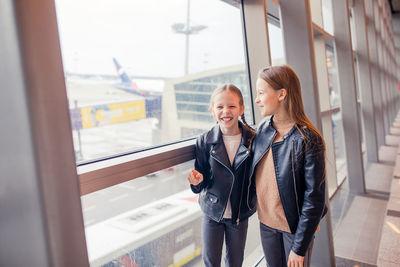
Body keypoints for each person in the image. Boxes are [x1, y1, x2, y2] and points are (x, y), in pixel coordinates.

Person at [249, 65, 327, 267]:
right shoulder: (263, 130)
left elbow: (314, 198)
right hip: (267, 225)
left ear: (282, 94)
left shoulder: (308, 138)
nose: (257, 99)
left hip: (294, 229)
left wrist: (300, 246)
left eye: (261, 93)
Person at [188, 84, 256, 267]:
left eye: (232, 106)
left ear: (241, 109)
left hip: (239, 213)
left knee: (235, 262)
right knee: (211, 262)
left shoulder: (252, 139)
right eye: (219, 107)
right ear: (212, 110)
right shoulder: (204, 140)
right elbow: (201, 179)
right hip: (212, 212)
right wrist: (196, 182)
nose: (225, 111)